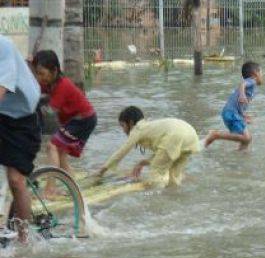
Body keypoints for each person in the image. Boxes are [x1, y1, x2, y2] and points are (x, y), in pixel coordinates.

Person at [33, 50, 97, 197]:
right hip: (76, 120)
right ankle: (73, 186)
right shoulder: (48, 83)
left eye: (42, 73)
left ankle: (50, 189)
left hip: (84, 119)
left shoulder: (63, 85)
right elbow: (33, 89)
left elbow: (48, 110)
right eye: (37, 73)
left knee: (52, 146)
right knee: (60, 154)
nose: (39, 77)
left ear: (54, 70)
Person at [0, 35, 41, 243]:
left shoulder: (3, 47)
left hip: (22, 119)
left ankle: (24, 242)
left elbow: (1, 89)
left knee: (15, 180)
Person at [98, 106, 200, 188]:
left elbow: (121, 152)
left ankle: (157, 201)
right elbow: (163, 153)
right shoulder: (150, 126)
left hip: (174, 136)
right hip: (191, 136)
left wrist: (101, 171)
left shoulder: (137, 129)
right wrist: (142, 163)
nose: (123, 130)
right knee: (173, 176)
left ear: (131, 123)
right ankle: (173, 197)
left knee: (155, 173)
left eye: (123, 126)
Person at [204, 61, 263, 151]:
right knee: (246, 138)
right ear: (255, 74)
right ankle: (215, 135)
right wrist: (242, 94)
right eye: (261, 73)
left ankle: (240, 155)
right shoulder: (252, 81)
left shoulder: (251, 88)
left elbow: (239, 104)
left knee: (246, 140)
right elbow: (242, 84)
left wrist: (243, 115)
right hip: (231, 113)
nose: (262, 76)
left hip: (232, 112)